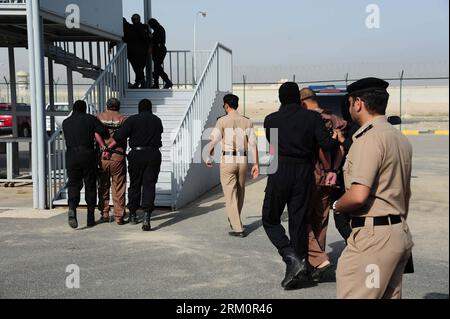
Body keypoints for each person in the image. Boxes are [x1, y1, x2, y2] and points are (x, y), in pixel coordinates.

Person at [333, 77, 414, 299]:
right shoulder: (399, 138)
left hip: (374, 239)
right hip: (398, 232)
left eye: (350, 103)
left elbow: (358, 196)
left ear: (357, 103)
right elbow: (405, 194)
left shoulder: (368, 139)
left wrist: (337, 205)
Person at [262, 82, 338, 290]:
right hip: (304, 171)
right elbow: (327, 145)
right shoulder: (312, 117)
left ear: (280, 99)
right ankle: (299, 264)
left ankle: (290, 257)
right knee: (298, 221)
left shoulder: (271, 120)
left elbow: (273, 143)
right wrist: (335, 138)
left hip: (279, 169)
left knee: (270, 218)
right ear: (298, 98)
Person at [299, 88, 346, 282]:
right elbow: (341, 147)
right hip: (331, 178)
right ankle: (315, 264)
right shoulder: (335, 120)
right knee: (321, 221)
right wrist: (333, 170)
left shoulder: (306, 120)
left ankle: (317, 260)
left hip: (312, 176)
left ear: (302, 103)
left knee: (302, 219)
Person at [207, 94, 259, 238]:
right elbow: (253, 144)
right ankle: (235, 219)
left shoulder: (222, 121)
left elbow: (214, 141)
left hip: (228, 159)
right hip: (242, 160)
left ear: (226, 105)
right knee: (240, 191)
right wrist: (256, 164)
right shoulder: (247, 121)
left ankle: (238, 228)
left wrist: (209, 156)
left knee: (230, 195)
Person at [106, 99, 163, 231]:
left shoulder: (132, 120)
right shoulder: (157, 120)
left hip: (136, 155)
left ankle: (132, 214)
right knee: (149, 184)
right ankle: (147, 215)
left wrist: (108, 147)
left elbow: (119, 136)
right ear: (150, 108)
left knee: (135, 184)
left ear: (139, 108)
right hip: (153, 154)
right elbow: (159, 132)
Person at [62, 100, 108, 229]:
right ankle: (90, 217)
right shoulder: (89, 119)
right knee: (90, 184)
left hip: (71, 155)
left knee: (73, 183)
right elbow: (103, 131)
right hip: (87, 154)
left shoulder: (66, 122)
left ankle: (72, 207)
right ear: (84, 109)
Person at [96, 98, 127, 225]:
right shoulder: (123, 119)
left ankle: (104, 213)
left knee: (103, 185)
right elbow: (123, 136)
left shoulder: (99, 117)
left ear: (107, 106)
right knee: (118, 186)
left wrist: (104, 147)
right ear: (118, 107)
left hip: (103, 156)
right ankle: (119, 216)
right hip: (118, 156)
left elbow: (95, 133)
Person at [123, 14, 151, 89]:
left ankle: (141, 83)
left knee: (138, 68)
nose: (134, 20)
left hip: (136, 52)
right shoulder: (142, 27)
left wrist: (149, 47)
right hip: (140, 52)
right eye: (133, 19)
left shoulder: (133, 28)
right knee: (139, 68)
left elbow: (146, 38)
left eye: (135, 19)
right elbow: (147, 38)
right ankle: (140, 82)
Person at [148, 18, 173, 89]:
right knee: (156, 67)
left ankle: (167, 81)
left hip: (159, 49)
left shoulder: (159, 29)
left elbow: (156, 40)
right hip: (158, 49)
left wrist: (151, 38)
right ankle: (157, 84)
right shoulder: (158, 29)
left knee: (157, 67)